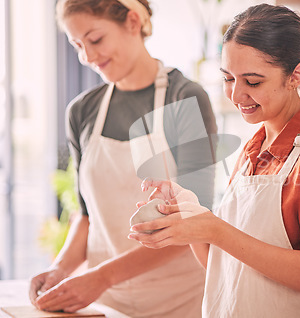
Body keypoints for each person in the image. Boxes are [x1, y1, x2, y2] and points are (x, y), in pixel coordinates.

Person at [129, 4, 300, 318]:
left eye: (252, 82)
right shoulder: (253, 148)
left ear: (296, 74)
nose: (236, 95)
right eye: (228, 79)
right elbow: (224, 266)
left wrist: (217, 230)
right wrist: (188, 211)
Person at [29, 0, 217, 317]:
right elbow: (87, 216)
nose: (87, 57)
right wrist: (60, 269)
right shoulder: (82, 111)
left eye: (95, 39)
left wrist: (101, 276)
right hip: (105, 303)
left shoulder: (185, 99)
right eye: (77, 45)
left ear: (132, 22)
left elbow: (194, 225)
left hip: (179, 303)